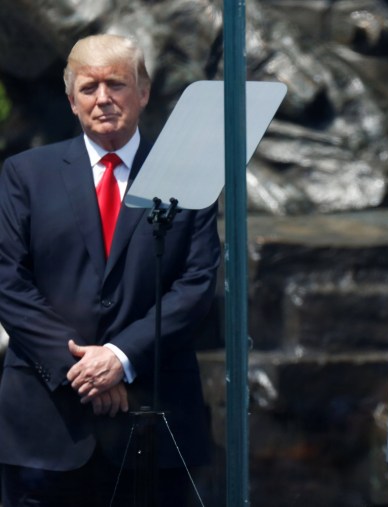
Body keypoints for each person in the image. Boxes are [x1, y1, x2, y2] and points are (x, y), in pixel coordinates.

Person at [0, 34, 221, 506]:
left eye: (116, 84)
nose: (103, 99)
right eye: (89, 87)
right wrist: (80, 369)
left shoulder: (186, 174)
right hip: (46, 427)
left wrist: (119, 358)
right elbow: (8, 282)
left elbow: (198, 283)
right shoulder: (24, 174)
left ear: (143, 91)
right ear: (70, 99)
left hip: (153, 424)